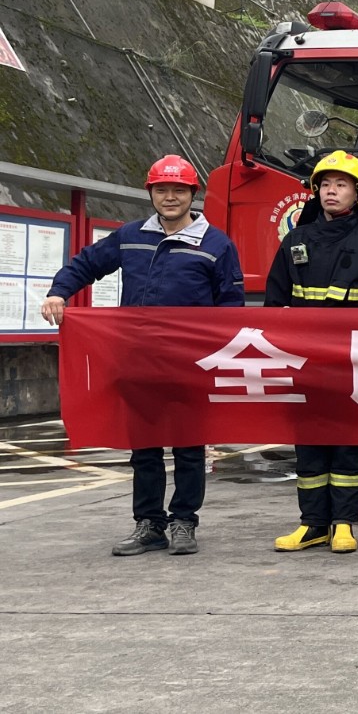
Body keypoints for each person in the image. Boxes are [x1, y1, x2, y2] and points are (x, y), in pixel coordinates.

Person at [42, 155, 243, 557]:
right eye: (161, 190)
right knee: (145, 449)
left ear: (192, 194)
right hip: (137, 361)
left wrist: (217, 357)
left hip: (189, 364)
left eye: (178, 190)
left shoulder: (216, 244)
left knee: (189, 447)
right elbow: (87, 263)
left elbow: (231, 306)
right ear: (150, 193)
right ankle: (149, 524)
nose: (170, 197)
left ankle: (184, 522)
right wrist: (58, 292)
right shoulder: (130, 236)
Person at [267, 151, 358, 554]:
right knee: (308, 444)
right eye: (325, 184)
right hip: (304, 364)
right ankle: (312, 524)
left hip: (350, 366)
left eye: (341, 185)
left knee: (348, 444)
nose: (331, 191)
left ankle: (344, 523)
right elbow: (274, 305)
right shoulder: (296, 241)